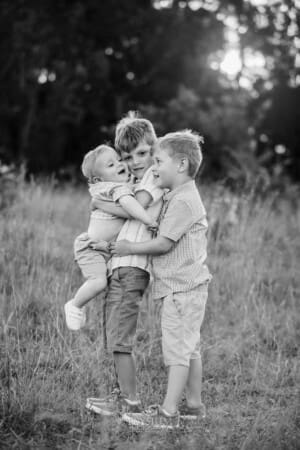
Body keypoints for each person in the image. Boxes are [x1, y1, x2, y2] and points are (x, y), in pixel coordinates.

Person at [110, 130, 212, 429]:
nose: (154, 167)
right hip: (185, 286)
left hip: (181, 288)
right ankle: (193, 406)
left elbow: (163, 244)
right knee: (189, 347)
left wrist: (129, 247)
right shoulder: (178, 195)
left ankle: (168, 414)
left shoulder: (183, 201)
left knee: (177, 351)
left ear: (181, 165)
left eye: (159, 161)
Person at [85, 112, 165, 416]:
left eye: (142, 153)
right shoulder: (133, 178)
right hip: (119, 264)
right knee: (113, 334)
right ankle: (121, 394)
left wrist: (97, 202)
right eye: (127, 157)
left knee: (121, 338)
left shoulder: (154, 177)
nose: (135, 161)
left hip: (134, 267)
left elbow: (135, 208)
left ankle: (131, 403)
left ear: (154, 148)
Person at [64, 144, 157, 331]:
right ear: (99, 179)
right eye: (111, 165)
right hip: (92, 249)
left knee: (117, 282)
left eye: (118, 160)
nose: (119, 164)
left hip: (104, 248)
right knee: (99, 282)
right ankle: (74, 305)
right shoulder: (113, 188)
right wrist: (148, 220)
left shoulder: (112, 187)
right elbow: (131, 207)